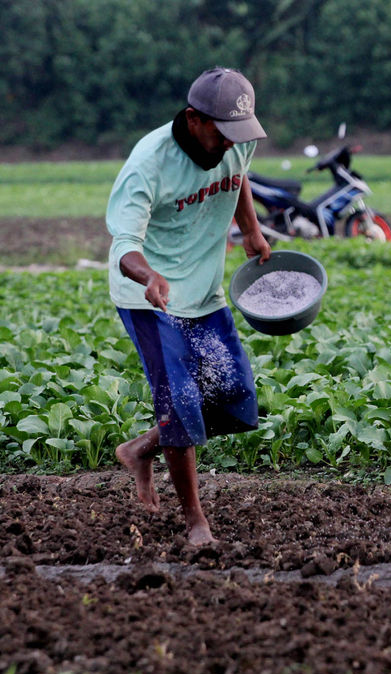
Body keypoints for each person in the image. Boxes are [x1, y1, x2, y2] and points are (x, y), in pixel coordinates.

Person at [106, 67, 272, 546]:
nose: (231, 144)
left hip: (204, 292)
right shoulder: (148, 164)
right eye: (223, 133)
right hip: (150, 300)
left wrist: (251, 229)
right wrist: (149, 277)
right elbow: (123, 246)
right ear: (194, 119)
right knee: (180, 403)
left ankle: (142, 448)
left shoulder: (235, 140)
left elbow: (237, 175)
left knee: (236, 401)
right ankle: (195, 521)